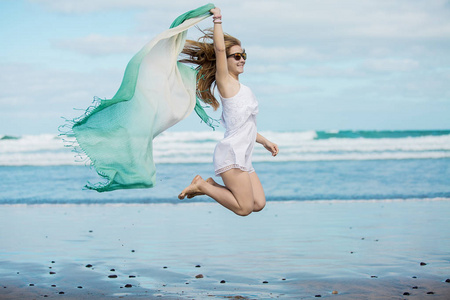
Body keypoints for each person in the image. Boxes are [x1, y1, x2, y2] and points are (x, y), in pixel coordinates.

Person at [178, 7, 279, 216]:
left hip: (244, 156)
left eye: (244, 55)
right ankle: (203, 186)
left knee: (258, 203)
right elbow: (220, 50)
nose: (241, 59)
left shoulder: (244, 89)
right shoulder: (226, 82)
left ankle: (209, 185)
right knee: (244, 209)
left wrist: (265, 141)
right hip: (231, 154)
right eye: (236, 56)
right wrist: (218, 20)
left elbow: (245, 127)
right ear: (227, 60)